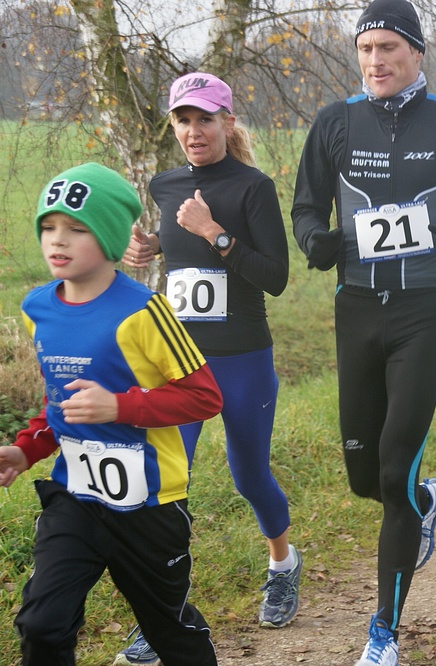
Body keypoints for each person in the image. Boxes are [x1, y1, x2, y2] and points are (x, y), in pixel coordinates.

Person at [289, 0, 436, 663]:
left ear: (417, 52)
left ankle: (383, 635)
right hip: (356, 310)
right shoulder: (335, 122)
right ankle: (426, 500)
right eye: (365, 49)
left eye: (388, 47)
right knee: (364, 477)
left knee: (394, 470)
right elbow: (305, 207)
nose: (375, 61)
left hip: (422, 313)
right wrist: (314, 239)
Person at [0, 162, 223, 665]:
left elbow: (205, 398)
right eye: (48, 227)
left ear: (108, 237)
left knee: (169, 632)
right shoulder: (38, 309)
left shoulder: (145, 311)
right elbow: (60, 404)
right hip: (75, 497)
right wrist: (27, 449)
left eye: (77, 229)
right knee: (41, 624)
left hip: (149, 504)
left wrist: (120, 405)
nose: (58, 240)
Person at [117, 72, 299, 664]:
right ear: (173, 126)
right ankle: (163, 612)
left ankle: (283, 565)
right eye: (183, 121)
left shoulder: (253, 187)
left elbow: (276, 277)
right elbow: (180, 251)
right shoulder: (165, 184)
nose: (193, 131)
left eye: (204, 119)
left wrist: (215, 234)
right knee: (167, 483)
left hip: (242, 358)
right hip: (179, 361)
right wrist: (150, 248)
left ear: (227, 122)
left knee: (249, 477)